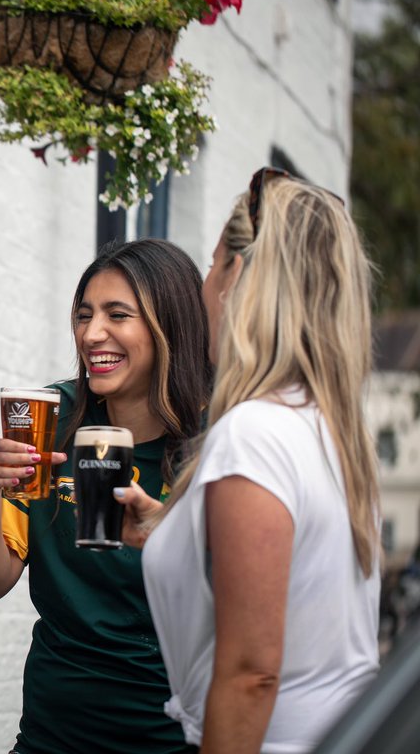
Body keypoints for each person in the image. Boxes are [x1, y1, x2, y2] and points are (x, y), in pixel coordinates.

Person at [120, 168, 381, 752]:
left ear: (239, 276)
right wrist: (171, 532)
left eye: (213, 264)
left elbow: (251, 674)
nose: (204, 284)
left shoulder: (254, 434)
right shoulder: (325, 425)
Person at [0, 239, 212, 754]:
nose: (91, 333)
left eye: (117, 314)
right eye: (84, 314)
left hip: (166, 740)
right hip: (49, 737)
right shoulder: (49, 418)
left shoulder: (215, 441)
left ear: (170, 325)